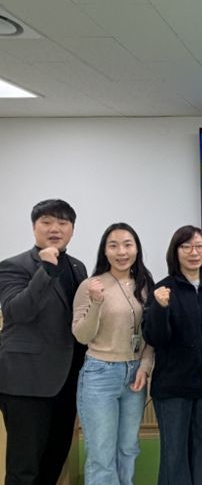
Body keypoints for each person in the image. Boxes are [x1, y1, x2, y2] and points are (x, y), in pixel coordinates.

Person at [0, 199, 88, 485]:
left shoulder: (77, 267)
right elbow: (17, 312)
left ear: (72, 229)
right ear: (34, 227)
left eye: (63, 223)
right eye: (47, 222)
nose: (55, 229)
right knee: (23, 468)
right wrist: (46, 270)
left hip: (67, 382)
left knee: (54, 461)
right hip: (26, 382)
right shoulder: (13, 266)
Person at [143, 225, 202, 485]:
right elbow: (155, 338)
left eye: (198, 247)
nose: (193, 253)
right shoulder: (162, 290)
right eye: (186, 247)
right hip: (172, 387)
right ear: (175, 252)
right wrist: (160, 309)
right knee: (174, 454)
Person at [72, 222, 155, 485]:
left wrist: (145, 367)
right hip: (100, 374)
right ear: (105, 251)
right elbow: (81, 335)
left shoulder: (145, 284)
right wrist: (96, 302)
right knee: (101, 454)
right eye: (114, 245)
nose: (122, 252)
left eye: (128, 244)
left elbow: (150, 334)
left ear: (137, 249)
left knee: (128, 449)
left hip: (135, 375)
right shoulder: (91, 285)